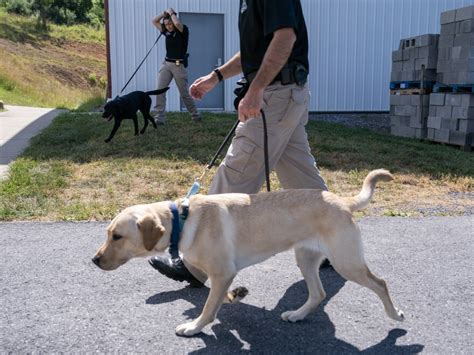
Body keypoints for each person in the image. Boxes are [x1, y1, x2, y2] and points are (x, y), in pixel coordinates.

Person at [149, 0, 328, 286]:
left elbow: (285, 37)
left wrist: (255, 90)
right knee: (299, 171)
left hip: (274, 95)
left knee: (236, 173)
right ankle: (329, 235)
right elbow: (256, 52)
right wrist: (216, 76)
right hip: (285, 94)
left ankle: (197, 262)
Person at [152, 8, 201, 124]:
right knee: (159, 90)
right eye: (166, 24)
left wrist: (171, 13)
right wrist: (163, 14)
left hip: (178, 66)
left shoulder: (183, 31)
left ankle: (195, 114)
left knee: (184, 93)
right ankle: (159, 118)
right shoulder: (166, 32)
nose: (168, 26)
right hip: (166, 64)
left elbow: (178, 23)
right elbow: (154, 21)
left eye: (170, 24)